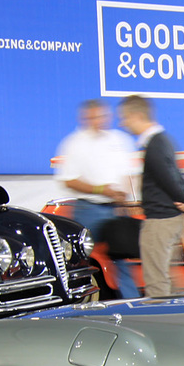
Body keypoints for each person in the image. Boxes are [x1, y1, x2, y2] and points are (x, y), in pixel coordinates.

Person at [54, 100, 140, 298]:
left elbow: (130, 173)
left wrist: (123, 198)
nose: (98, 121)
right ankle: (73, 301)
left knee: (121, 259)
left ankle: (132, 305)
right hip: (87, 210)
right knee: (77, 260)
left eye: (101, 116)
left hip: (115, 209)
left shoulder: (120, 140)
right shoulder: (74, 144)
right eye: (92, 117)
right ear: (84, 118)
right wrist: (101, 189)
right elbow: (69, 180)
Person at [116, 95, 184, 297]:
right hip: (168, 219)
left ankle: (162, 323)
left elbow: (169, 180)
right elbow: (176, 179)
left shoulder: (155, 145)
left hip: (159, 221)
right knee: (167, 277)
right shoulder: (163, 141)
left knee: (157, 282)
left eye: (125, 118)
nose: (123, 123)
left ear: (138, 115)